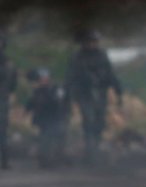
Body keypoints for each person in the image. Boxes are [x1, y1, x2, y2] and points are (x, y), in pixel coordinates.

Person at [65, 29, 123, 162]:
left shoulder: (102, 55)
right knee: (89, 121)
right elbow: (71, 76)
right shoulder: (78, 57)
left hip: (100, 93)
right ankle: (90, 151)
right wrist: (69, 95)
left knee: (99, 122)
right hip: (85, 94)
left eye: (95, 41)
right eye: (90, 41)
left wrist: (118, 91)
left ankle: (95, 147)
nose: (93, 44)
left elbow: (110, 74)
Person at [25, 68, 70, 167]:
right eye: (41, 79)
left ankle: (56, 158)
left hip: (55, 118)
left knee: (54, 139)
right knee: (44, 139)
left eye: (44, 78)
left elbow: (61, 103)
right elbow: (31, 103)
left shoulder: (57, 89)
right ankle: (45, 159)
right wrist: (27, 111)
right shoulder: (37, 91)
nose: (42, 81)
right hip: (43, 119)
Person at [0, 33, 19, 169]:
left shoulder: (8, 63)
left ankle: (5, 161)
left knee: (2, 131)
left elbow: (13, 83)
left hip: (2, 100)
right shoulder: (8, 63)